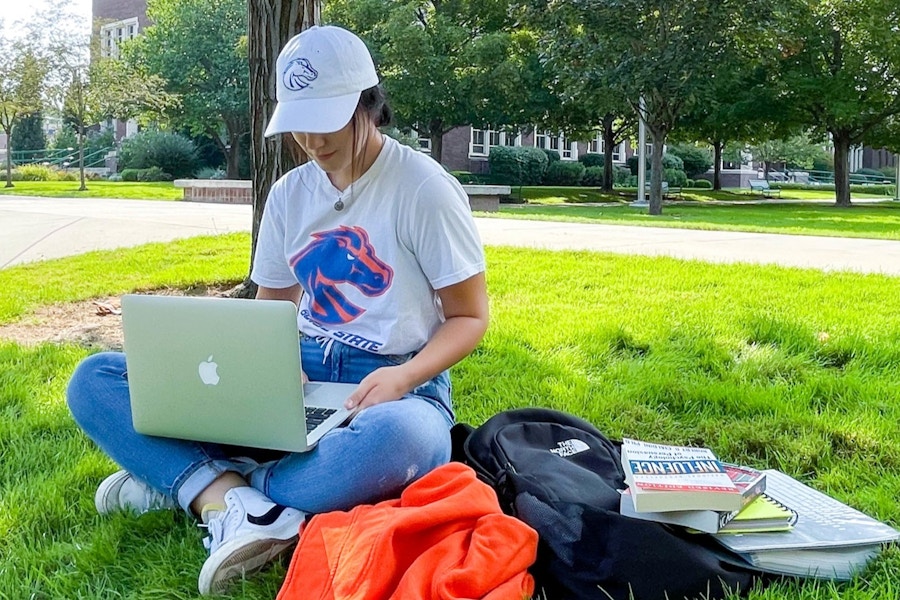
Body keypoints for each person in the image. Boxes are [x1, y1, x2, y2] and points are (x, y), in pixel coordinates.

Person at [66, 25, 488, 595]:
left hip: (397, 385)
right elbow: (271, 316)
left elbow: (469, 317)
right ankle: (240, 498)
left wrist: (404, 376)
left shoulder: (424, 190)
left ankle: (199, 484)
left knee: (403, 443)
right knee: (94, 379)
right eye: (299, 124)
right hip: (302, 373)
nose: (312, 140)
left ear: (369, 102)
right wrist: (270, 371)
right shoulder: (290, 194)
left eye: (328, 119)